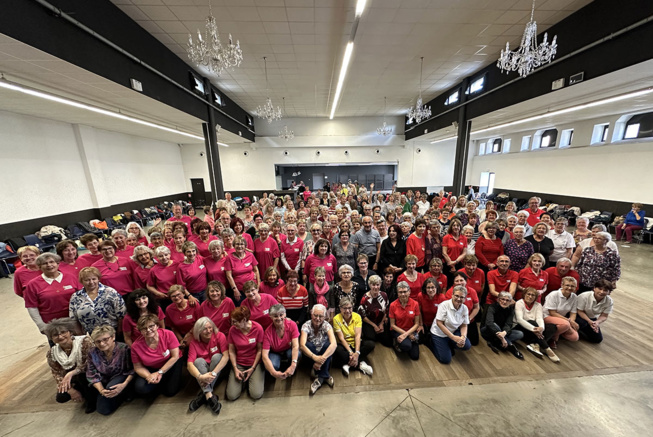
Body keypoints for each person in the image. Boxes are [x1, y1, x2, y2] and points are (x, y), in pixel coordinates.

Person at [24, 253, 81, 336]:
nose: (49, 265)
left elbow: (82, 296)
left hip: (74, 320)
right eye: (45, 263)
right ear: (39, 267)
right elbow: (32, 307)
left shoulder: (71, 277)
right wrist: (41, 325)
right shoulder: (33, 284)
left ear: (58, 264)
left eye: (52, 262)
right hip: (51, 324)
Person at [44, 318, 95, 412]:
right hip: (73, 379)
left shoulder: (84, 342)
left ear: (70, 332)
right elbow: (56, 373)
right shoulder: (52, 353)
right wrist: (70, 390)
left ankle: (91, 398)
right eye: (55, 335)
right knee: (61, 397)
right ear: (52, 338)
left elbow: (89, 363)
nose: (60, 336)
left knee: (82, 377)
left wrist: (71, 373)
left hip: (89, 374)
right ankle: (83, 395)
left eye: (63, 332)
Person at [131, 313, 184, 398]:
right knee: (140, 388)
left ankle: (164, 380)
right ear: (140, 331)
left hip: (171, 362)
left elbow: (175, 356)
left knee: (170, 392)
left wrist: (160, 372)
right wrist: (149, 376)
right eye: (144, 329)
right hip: (152, 367)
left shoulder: (168, 334)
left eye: (151, 326)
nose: (148, 330)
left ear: (157, 326)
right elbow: (138, 367)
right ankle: (160, 381)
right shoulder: (135, 346)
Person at [86, 325, 134, 416]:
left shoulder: (124, 349)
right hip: (104, 380)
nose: (102, 344)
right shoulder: (92, 352)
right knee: (102, 410)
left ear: (113, 337)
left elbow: (132, 370)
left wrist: (124, 384)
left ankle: (125, 392)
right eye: (98, 341)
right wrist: (101, 390)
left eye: (105, 339)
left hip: (122, 377)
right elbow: (91, 374)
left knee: (111, 388)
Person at [186, 317, 229, 414]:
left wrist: (213, 373)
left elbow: (226, 356)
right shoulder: (194, 342)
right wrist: (200, 376)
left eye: (210, 327)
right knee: (198, 361)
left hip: (218, 371)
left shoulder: (219, 336)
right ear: (199, 331)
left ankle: (203, 396)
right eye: (205, 329)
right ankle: (209, 395)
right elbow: (189, 364)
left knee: (217, 356)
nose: (209, 331)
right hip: (203, 372)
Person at [69, 267, 125, 335]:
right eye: (87, 280)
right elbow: (73, 319)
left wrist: (120, 331)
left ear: (98, 279)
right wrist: (81, 335)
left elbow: (121, 314)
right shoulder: (75, 297)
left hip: (112, 333)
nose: (91, 282)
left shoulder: (110, 292)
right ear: (81, 281)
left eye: (94, 279)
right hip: (89, 336)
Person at [226, 307, 265, 401]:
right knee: (231, 396)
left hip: (254, 363)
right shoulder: (232, 330)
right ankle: (244, 380)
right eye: (232, 321)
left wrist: (253, 368)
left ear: (244, 320)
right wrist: (235, 368)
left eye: (235, 321)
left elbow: (260, 350)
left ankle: (251, 377)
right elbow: (231, 351)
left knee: (256, 394)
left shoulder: (258, 328)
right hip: (239, 363)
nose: (233, 324)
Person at [513, 287, 560, 362]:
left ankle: (535, 344)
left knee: (553, 326)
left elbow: (539, 318)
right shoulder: (519, 303)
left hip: (534, 330)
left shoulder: (538, 305)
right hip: (521, 327)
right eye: (528, 294)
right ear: (524, 294)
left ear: (535, 297)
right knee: (532, 322)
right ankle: (547, 348)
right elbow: (520, 320)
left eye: (533, 295)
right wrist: (533, 329)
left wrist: (541, 328)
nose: (530, 296)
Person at [300, 304, 337, 395]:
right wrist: (314, 357)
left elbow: (334, 344)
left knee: (328, 345)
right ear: (311, 315)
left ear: (324, 317)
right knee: (308, 345)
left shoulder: (327, 325)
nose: (317, 318)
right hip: (310, 355)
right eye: (315, 315)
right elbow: (302, 345)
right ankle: (326, 376)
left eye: (320, 316)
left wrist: (320, 360)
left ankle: (319, 377)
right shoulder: (306, 325)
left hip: (323, 357)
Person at [332, 297, 375, 377]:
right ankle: (359, 364)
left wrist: (357, 353)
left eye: (349, 308)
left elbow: (358, 336)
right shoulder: (336, 319)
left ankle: (347, 364)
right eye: (345, 308)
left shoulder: (357, 316)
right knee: (337, 350)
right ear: (340, 308)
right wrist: (351, 353)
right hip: (344, 345)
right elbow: (341, 339)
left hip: (355, 343)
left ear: (352, 307)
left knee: (370, 344)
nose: (347, 311)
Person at [429, 285, 472, 364]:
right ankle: (432, 343)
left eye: (462, 297)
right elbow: (439, 323)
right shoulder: (444, 305)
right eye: (456, 296)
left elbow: (464, 325)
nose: (459, 299)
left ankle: (448, 344)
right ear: (452, 295)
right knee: (445, 360)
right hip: (439, 334)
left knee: (466, 345)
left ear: (465, 298)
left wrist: (463, 337)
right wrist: (453, 338)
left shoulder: (464, 308)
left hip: (453, 331)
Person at [261, 304, 301, 380]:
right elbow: (265, 355)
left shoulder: (292, 324)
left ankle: (291, 367)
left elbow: (295, 346)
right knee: (273, 365)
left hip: (288, 349)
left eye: (281, 315)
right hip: (275, 352)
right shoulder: (267, 332)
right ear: (271, 317)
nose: (279, 318)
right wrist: (273, 372)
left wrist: (293, 365)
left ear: (285, 314)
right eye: (275, 316)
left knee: (297, 354)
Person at [481, 292, 524, 358]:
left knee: (520, 334)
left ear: (510, 302)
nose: (504, 302)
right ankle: (512, 347)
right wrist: (502, 338)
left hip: (501, 331)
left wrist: (504, 332)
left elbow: (508, 324)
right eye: (502, 299)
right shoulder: (492, 307)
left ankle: (495, 342)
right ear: (498, 299)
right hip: (488, 330)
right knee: (494, 325)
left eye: (507, 300)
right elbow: (489, 323)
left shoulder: (510, 310)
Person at [444, 272, 480, 346]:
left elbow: (476, 307)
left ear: (466, 281)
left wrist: (469, 318)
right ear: (453, 283)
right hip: (454, 321)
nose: (459, 283)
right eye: (457, 281)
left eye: (461, 280)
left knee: (474, 342)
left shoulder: (472, 291)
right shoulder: (449, 293)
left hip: (469, 320)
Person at [543, 276, 580, 349]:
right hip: (547, 316)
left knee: (574, 337)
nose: (569, 288)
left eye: (572, 286)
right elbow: (552, 313)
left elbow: (573, 312)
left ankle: (558, 331)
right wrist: (568, 321)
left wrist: (572, 321)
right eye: (567, 285)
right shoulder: (554, 294)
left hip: (561, 319)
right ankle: (553, 338)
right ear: (562, 285)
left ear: (575, 287)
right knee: (566, 324)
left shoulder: (574, 297)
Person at [575, 279, 614, 343]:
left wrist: (597, 322)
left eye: (605, 290)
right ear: (594, 288)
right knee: (583, 323)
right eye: (600, 289)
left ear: (609, 292)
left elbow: (604, 315)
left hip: (591, 318)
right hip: (578, 315)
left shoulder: (609, 301)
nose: (601, 292)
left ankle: (581, 331)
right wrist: (589, 321)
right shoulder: (584, 296)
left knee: (597, 339)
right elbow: (580, 311)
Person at [389, 281, 421, 360]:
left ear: (409, 292)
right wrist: (406, 334)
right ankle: (396, 343)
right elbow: (392, 325)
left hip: (411, 330)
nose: (403, 294)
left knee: (415, 356)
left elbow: (417, 323)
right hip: (398, 330)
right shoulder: (393, 305)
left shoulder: (415, 304)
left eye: (405, 292)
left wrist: (407, 334)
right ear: (397, 293)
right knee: (406, 346)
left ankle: (409, 341)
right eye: (400, 292)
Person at [358, 275, 391, 347]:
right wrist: (374, 326)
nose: (375, 287)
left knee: (388, 342)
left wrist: (381, 323)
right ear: (370, 285)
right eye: (373, 285)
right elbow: (362, 316)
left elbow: (386, 310)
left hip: (380, 320)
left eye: (377, 285)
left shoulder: (384, 295)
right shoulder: (365, 298)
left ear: (380, 285)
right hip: (369, 322)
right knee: (371, 337)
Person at [225, 236, 260, 304]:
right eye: (237, 244)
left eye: (241, 244)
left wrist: (258, 284)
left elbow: (256, 270)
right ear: (234, 245)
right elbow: (229, 276)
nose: (239, 246)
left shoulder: (250, 255)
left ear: (245, 246)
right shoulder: (229, 258)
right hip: (239, 289)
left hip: (252, 288)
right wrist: (235, 290)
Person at [417, 277, 447, 346]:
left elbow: (444, 315)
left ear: (436, 288)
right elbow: (419, 311)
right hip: (424, 324)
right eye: (428, 288)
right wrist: (420, 325)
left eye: (433, 287)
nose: (430, 290)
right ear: (425, 288)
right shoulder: (420, 296)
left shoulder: (442, 297)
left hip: (436, 324)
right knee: (420, 341)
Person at [442, 218, 467, 282]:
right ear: (451, 227)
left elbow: (464, 253)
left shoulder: (464, 238)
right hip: (447, 264)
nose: (456, 227)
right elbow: (444, 253)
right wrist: (451, 264)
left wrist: (455, 262)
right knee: (448, 282)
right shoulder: (446, 237)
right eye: (454, 225)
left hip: (459, 264)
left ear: (460, 227)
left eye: (458, 225)